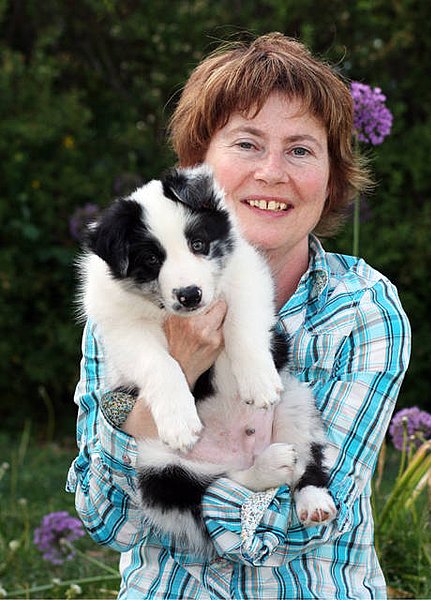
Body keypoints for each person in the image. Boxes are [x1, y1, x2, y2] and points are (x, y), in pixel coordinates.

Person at [67, 32, 411, 599]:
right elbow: (106, 517)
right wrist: (175, 368)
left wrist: (154, 437)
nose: (272, 172)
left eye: (301, 150)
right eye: (247, 143)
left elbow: (300, 523)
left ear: (332, 177)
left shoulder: (363, 309)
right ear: (197, 169)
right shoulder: (131, 297)